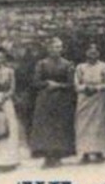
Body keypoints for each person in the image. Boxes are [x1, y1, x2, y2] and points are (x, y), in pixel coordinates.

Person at [29, 37, 76, 166]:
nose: (57, 50)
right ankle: (47, 155)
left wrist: (59, 85)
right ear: (48, 49)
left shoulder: (68, 64)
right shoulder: (41, 64)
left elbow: (72, 84)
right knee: (46, 127)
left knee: (60, 126)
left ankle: (59, 155)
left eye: (59, 47)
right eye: (55, 47)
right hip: (45, 98)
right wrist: (46, 83)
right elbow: (35, 82)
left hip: (61, 98)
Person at [73, 42, 105, 162]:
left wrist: (97, 88)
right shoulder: (80, 67)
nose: (92, 54)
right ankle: (85, 152)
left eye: (95, 52)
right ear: (86, 53)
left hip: (99, 98)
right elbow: (76, 84)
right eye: (90, 51)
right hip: (84, 98)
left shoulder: (104, 66)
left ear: (99, 53)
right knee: (83, 125)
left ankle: (99, 151)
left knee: (99, 125)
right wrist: (85, 88)